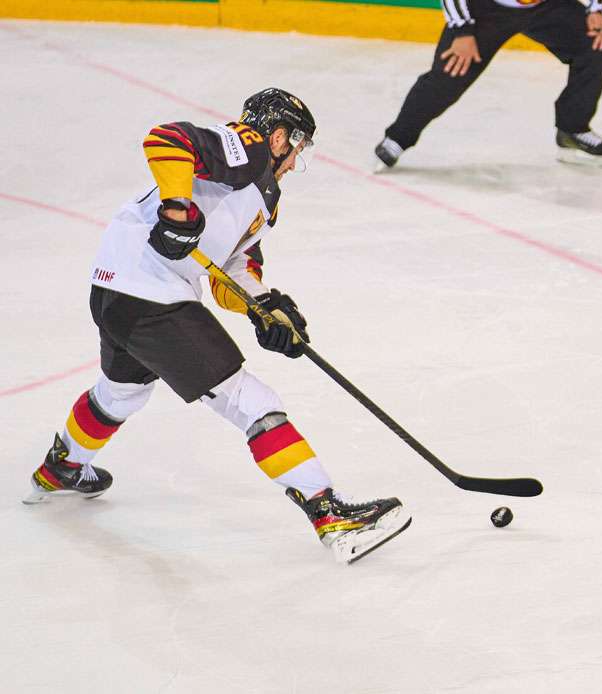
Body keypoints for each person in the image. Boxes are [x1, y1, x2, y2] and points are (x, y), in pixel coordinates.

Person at [23, 88, 410, 564]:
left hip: (116, 289)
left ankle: (63, 467)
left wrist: (266, 309)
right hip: (151, 293)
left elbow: (231, 269)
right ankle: (329, 513)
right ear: (280, 135)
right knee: (252, 402)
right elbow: (166, 139)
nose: (294, 160)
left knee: (122, 392)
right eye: (297, 146)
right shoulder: (246, 146)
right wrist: (176, 208)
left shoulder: (264, 197)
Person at [374, 0, 602, 168]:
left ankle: (572, 129)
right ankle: (398, 137)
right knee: (451, 72)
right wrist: (462, 30)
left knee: (597, 50)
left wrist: (597, 9)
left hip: (548, 7)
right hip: (486, 10)